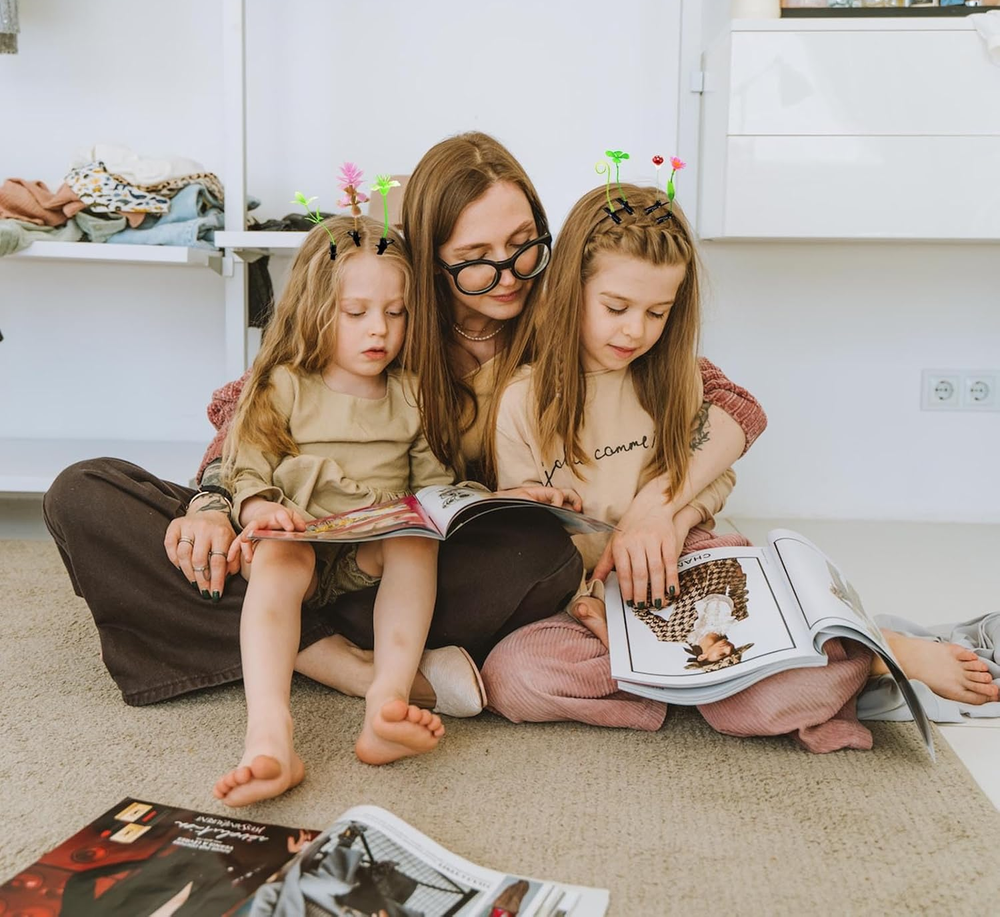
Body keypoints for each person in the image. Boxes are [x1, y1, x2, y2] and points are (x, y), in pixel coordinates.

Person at [42, 133, 767, 715]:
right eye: (475, 260)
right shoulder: (389, 320)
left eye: (524, 243)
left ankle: (270, 635)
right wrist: (212, 502)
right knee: (87, 494)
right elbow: (249, 402)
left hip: (414, 567)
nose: (510, 274)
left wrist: (658, 508)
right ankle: (341, 662)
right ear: (430, 260)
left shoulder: (572, 309)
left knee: (535, 556)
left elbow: (726, 401)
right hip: (297, 539)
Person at [482, 184, 999, 739]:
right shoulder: (520, 402)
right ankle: (698, 677)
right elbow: (525, 535)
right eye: (616, 307)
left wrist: (673, 518)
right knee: (513, 678)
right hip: (589, 604)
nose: (636, 330)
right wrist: (543, 525)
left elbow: (717, 477)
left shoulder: (674, 379)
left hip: (689, 572)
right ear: (570, 289)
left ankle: (874, 652)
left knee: (758, 707)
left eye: (658, 312)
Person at [212, 214, 461, 808]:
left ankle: (385, 703)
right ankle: (270, 734)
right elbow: (245, 467)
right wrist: (260, 508)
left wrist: (459, 505)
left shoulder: (410, 394)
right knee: (280, 558)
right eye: (356, 313)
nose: (380, 329)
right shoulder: (284, 385)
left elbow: (432, 487)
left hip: (365, 560)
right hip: (296, 548)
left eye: (396, 312)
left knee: (416, 539)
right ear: (314, 308)